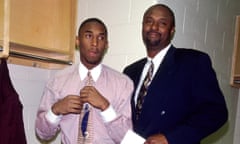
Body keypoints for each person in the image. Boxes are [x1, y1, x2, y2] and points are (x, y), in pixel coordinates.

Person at [123, 4, 228, 144]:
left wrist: (170, 138)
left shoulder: (193, 62)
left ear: (172, 30)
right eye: (149, 21)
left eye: (162, 23)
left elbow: (216, 112)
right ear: (143, 26)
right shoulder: (130, 71)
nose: (154, 27)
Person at [35, 18, 133, 144]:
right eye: (88, 36)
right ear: (77, 41)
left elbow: (129, 140)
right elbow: (42, 134)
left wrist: (105, 107)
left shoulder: (123, 84)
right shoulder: (57, 81)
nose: (95, 43)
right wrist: (56, 110)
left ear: (106, 45)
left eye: (101, 38)